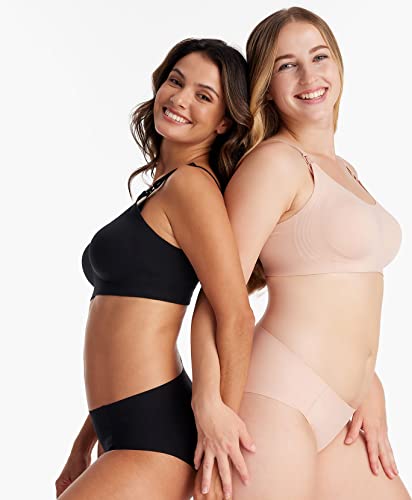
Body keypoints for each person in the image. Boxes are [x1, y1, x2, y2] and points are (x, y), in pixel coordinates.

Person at [191, 7, 411, 499]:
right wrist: (208, 406)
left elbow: (341, 292)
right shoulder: (275, 164)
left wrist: (369, 384)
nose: (309, 77)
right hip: (277, 399)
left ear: (338, 64)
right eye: (287, 65)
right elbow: (216, 297)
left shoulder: (344, 169)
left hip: (344, 409)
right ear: (267, 86)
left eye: (319, 57)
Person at [55, 38, 256, 500]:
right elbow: (123, 331)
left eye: (203, 95)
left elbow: (235, 315)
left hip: (155, 436)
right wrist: (82, 443)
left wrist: (220, 430)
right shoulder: (162, 189)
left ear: (224, 121)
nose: (180, 99)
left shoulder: (191, 187)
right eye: (176, 81)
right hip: (119, 429)